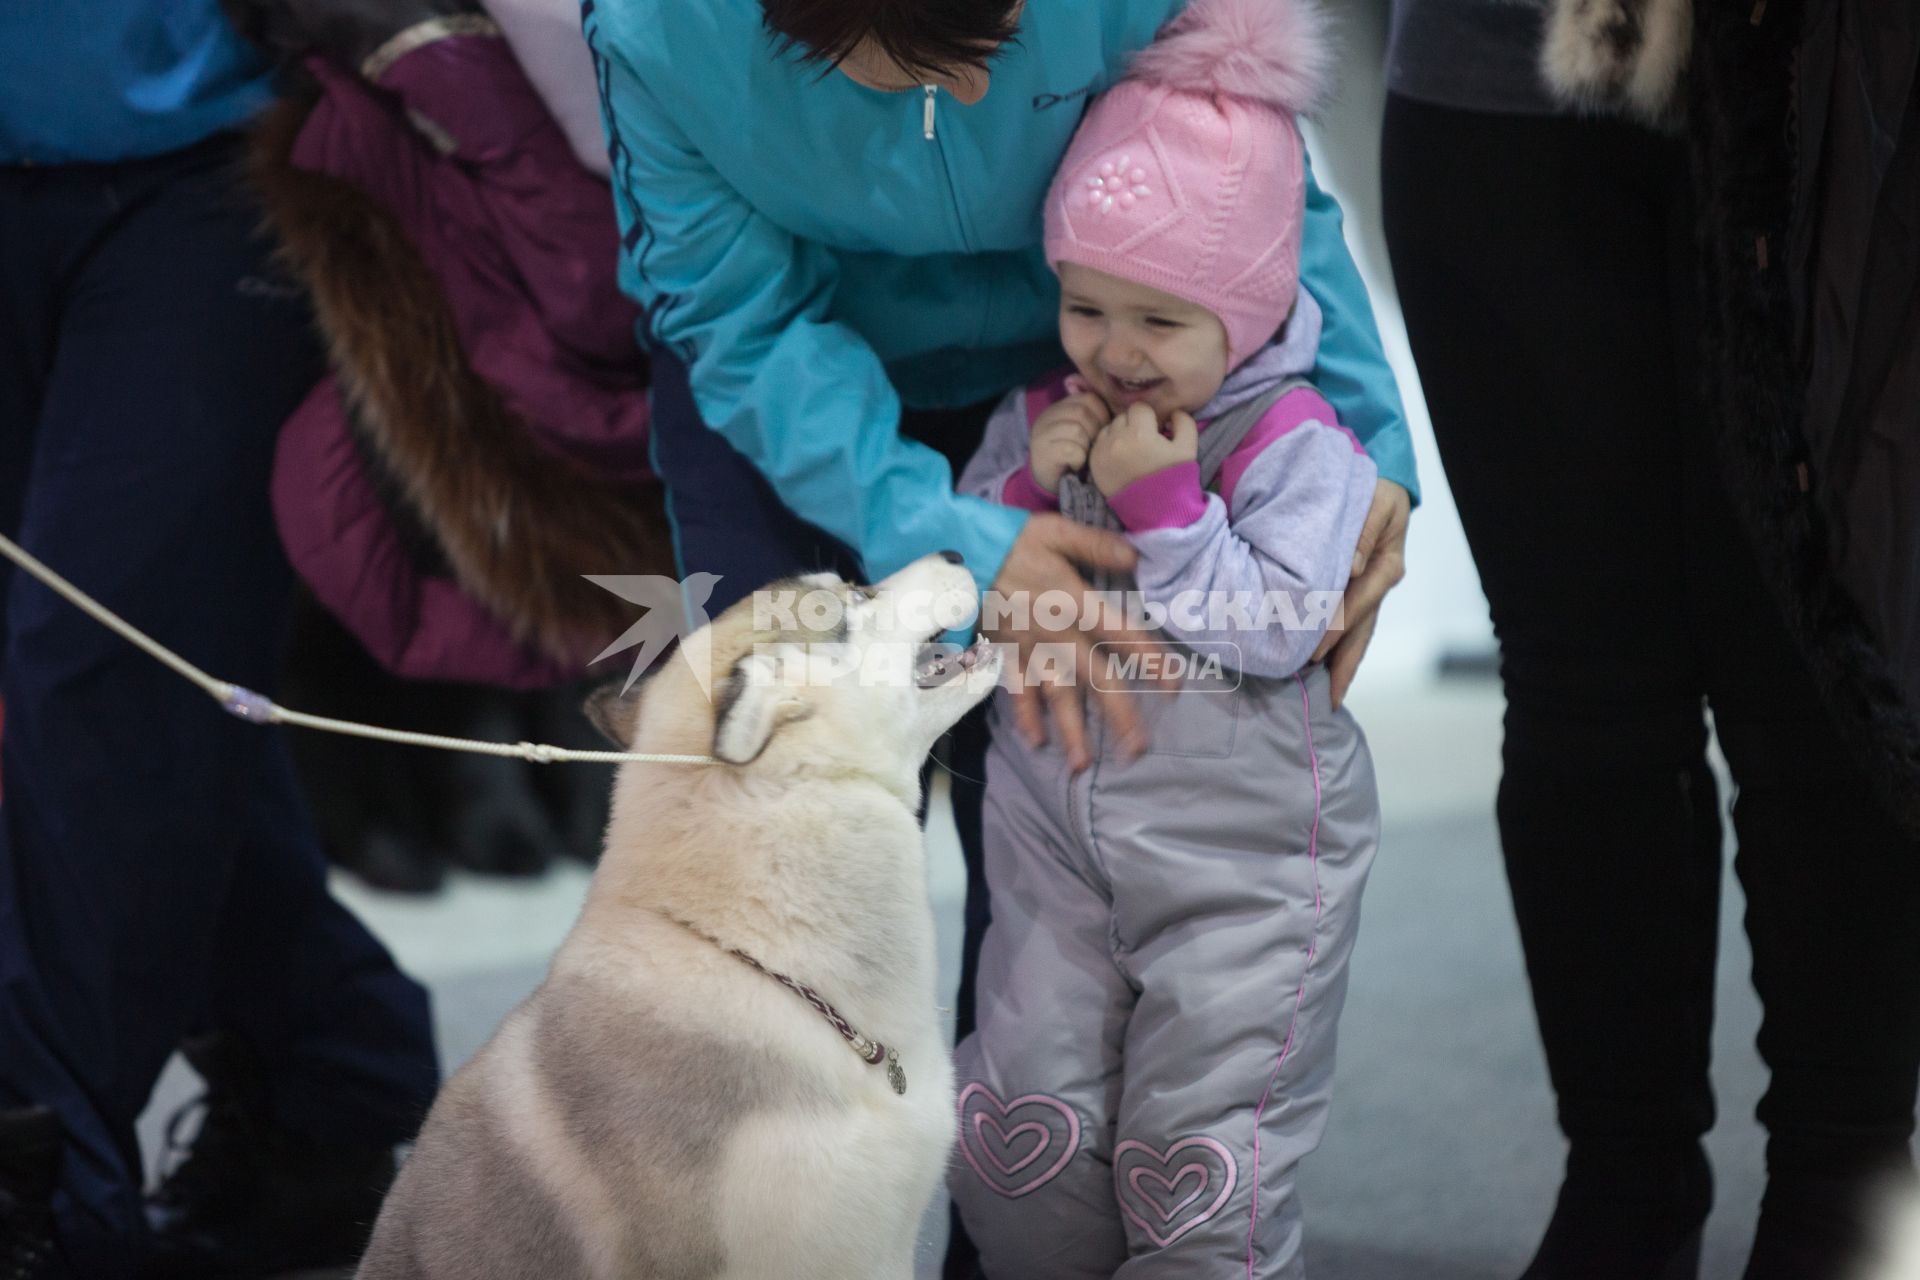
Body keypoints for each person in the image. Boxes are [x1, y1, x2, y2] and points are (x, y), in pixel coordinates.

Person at [1380, 1, 1920, 1277]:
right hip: (1494, 85)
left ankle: (1845, 1186)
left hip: (1832, 72)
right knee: (1583, 687)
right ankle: (1624, 1180)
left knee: (1824, 665)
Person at [0, 5, 440, 1276]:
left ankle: (44, 1182)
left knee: (105, 670)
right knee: (135, 700)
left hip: (222, 167)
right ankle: (329, 1068)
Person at [944, 2, 1379, 1273]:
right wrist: (1023, 503)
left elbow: (1279, 623)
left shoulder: (1300, 443)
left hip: (1241, 873)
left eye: (1161, 321)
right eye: (1086, 307)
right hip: (1055, 852)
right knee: (1007, 1133)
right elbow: (962, 597)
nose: (1116, 355)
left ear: (1245, 313)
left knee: (1195, 1170)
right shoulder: (1042, 420)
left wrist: (1164, 510)